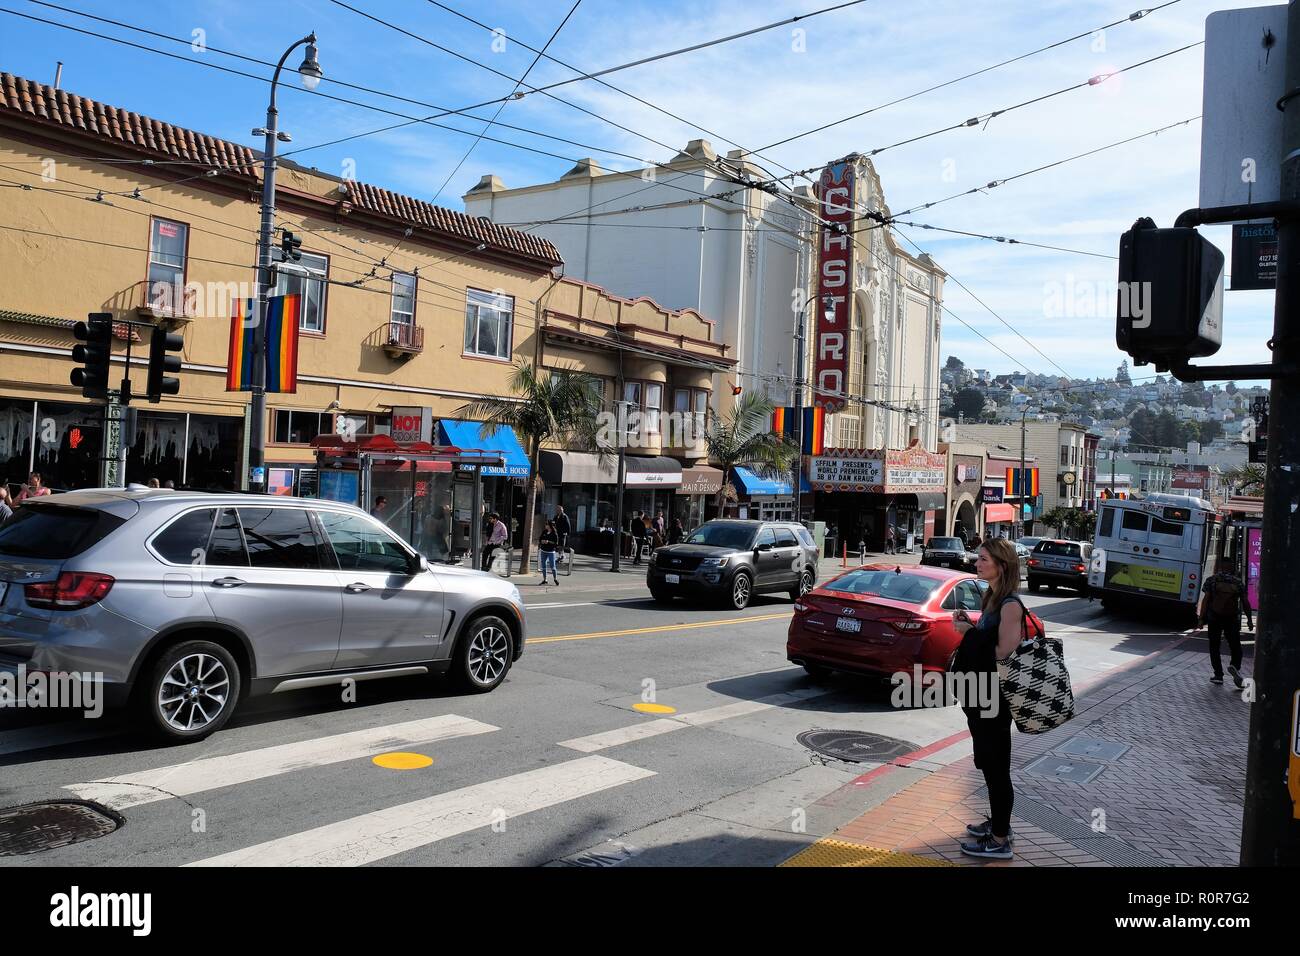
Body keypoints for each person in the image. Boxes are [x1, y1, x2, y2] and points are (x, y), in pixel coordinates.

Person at [950, 538, 1026, 860]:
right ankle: (998, 823)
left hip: (996, 699)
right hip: (982, 695)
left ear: (1001, 565)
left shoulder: (1010, 605)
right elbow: (987, 642)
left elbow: (1003, 652)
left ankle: (999, 839)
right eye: (978, 559)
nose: (977, 564)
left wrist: (968, 634)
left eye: (983, 560)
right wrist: (972, 629)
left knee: (996, 767)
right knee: (987, 762)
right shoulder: (991, 597)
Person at [1197, 565, 1253, 688]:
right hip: (1231, 618)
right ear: (1232, 570)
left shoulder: (1212, 580)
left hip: (1214, 617)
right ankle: (1235, 666)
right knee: (1235, 645)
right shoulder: (1237, 582)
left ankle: (1218, 675)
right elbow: (1245, 602)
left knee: (1214, 646)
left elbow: (1206, 600)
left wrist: (1201, 619)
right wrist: (1249, 620)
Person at [538, 520, 560, 586]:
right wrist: (542, 541)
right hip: (543, 550)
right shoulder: (544, 531)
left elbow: (556, 543)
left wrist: (548, 542)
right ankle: (545, 580)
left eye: (547, 524)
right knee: (543, 566)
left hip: (551, 551)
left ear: (550, 525)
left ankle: (555, 579)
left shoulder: (554, 533)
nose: (545, 525)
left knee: (552, 566)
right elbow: (540, 539)